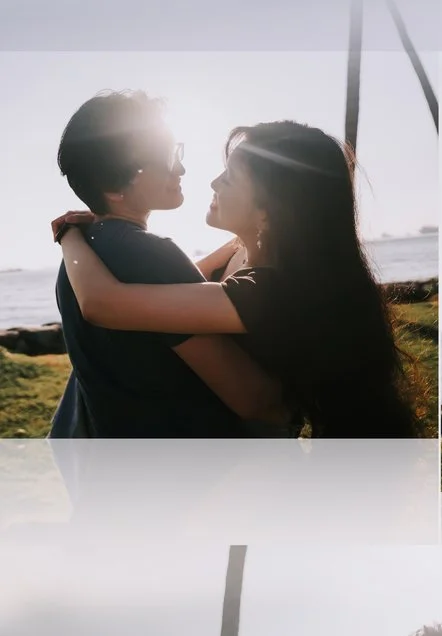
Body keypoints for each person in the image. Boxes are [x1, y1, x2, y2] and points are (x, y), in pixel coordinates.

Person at [53, 120, 418, 437]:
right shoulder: (240, 251)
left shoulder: (271, 290)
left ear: (270, 210)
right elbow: (173, 284)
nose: (213, 181)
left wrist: (69, 235)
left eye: (229, 178)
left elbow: (101, 303)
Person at [46, 91, 284, 438]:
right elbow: (252, 399)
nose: (181, 167)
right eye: (166, 157)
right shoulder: (149, 256)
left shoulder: (83, 255)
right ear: (115, 188)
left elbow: (184, 282)